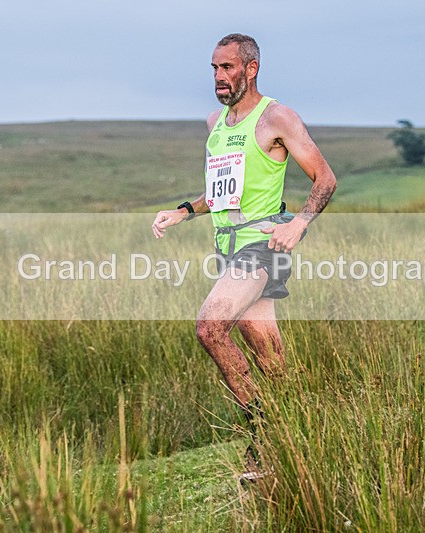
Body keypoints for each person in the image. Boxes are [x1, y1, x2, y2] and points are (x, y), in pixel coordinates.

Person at [151, 33, 336, 480]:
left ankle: (263, 430)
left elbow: (325, 178)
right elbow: (222, 195)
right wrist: (183, 212)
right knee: (271, 361)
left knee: (210, 327)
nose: (219, 77)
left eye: (228, 68)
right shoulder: (216, 122)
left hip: (263, 246)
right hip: (228, 249)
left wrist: (299, 223)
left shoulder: (277, 117)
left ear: (250, 69)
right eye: (214, 68)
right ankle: (304, 436)